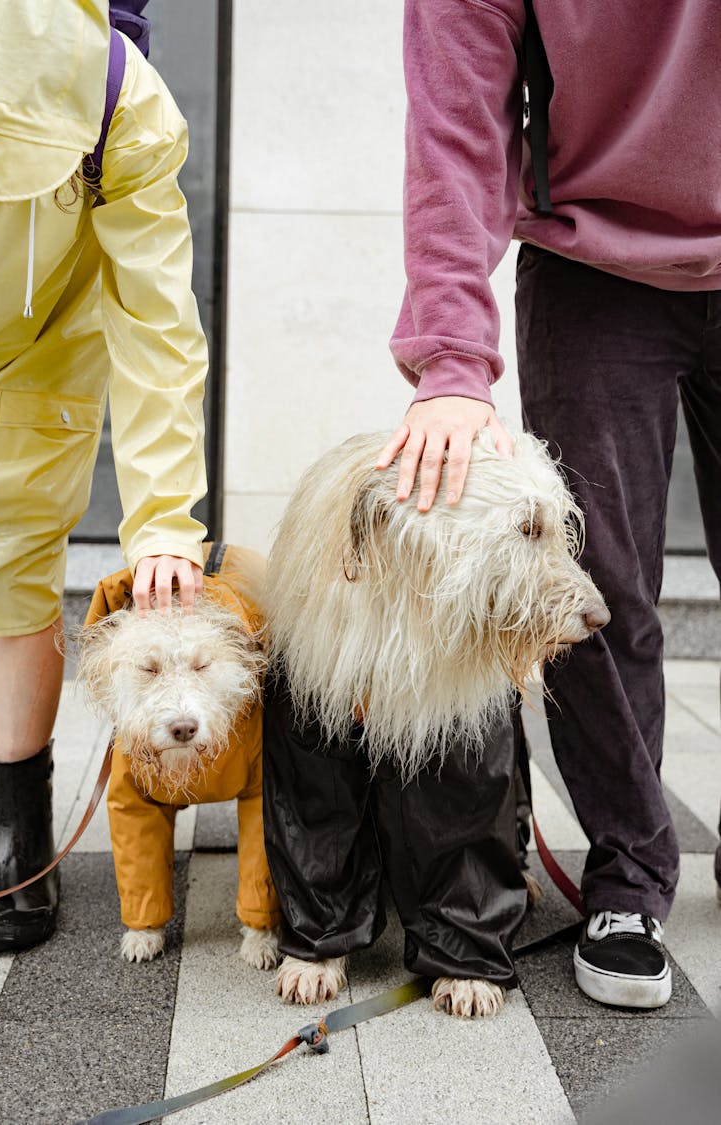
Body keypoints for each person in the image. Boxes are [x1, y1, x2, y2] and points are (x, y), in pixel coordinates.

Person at [379, 0, 721, 1009]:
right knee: (589, 587)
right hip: (593, 266)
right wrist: (451, 358)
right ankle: (628, 876)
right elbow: (457, 125)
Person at [0, 0, 208, 951]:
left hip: (47, 316)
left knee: (19, 538)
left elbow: (156, 326)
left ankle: (16, 836)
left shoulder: (123, 100)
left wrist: (161, 521)